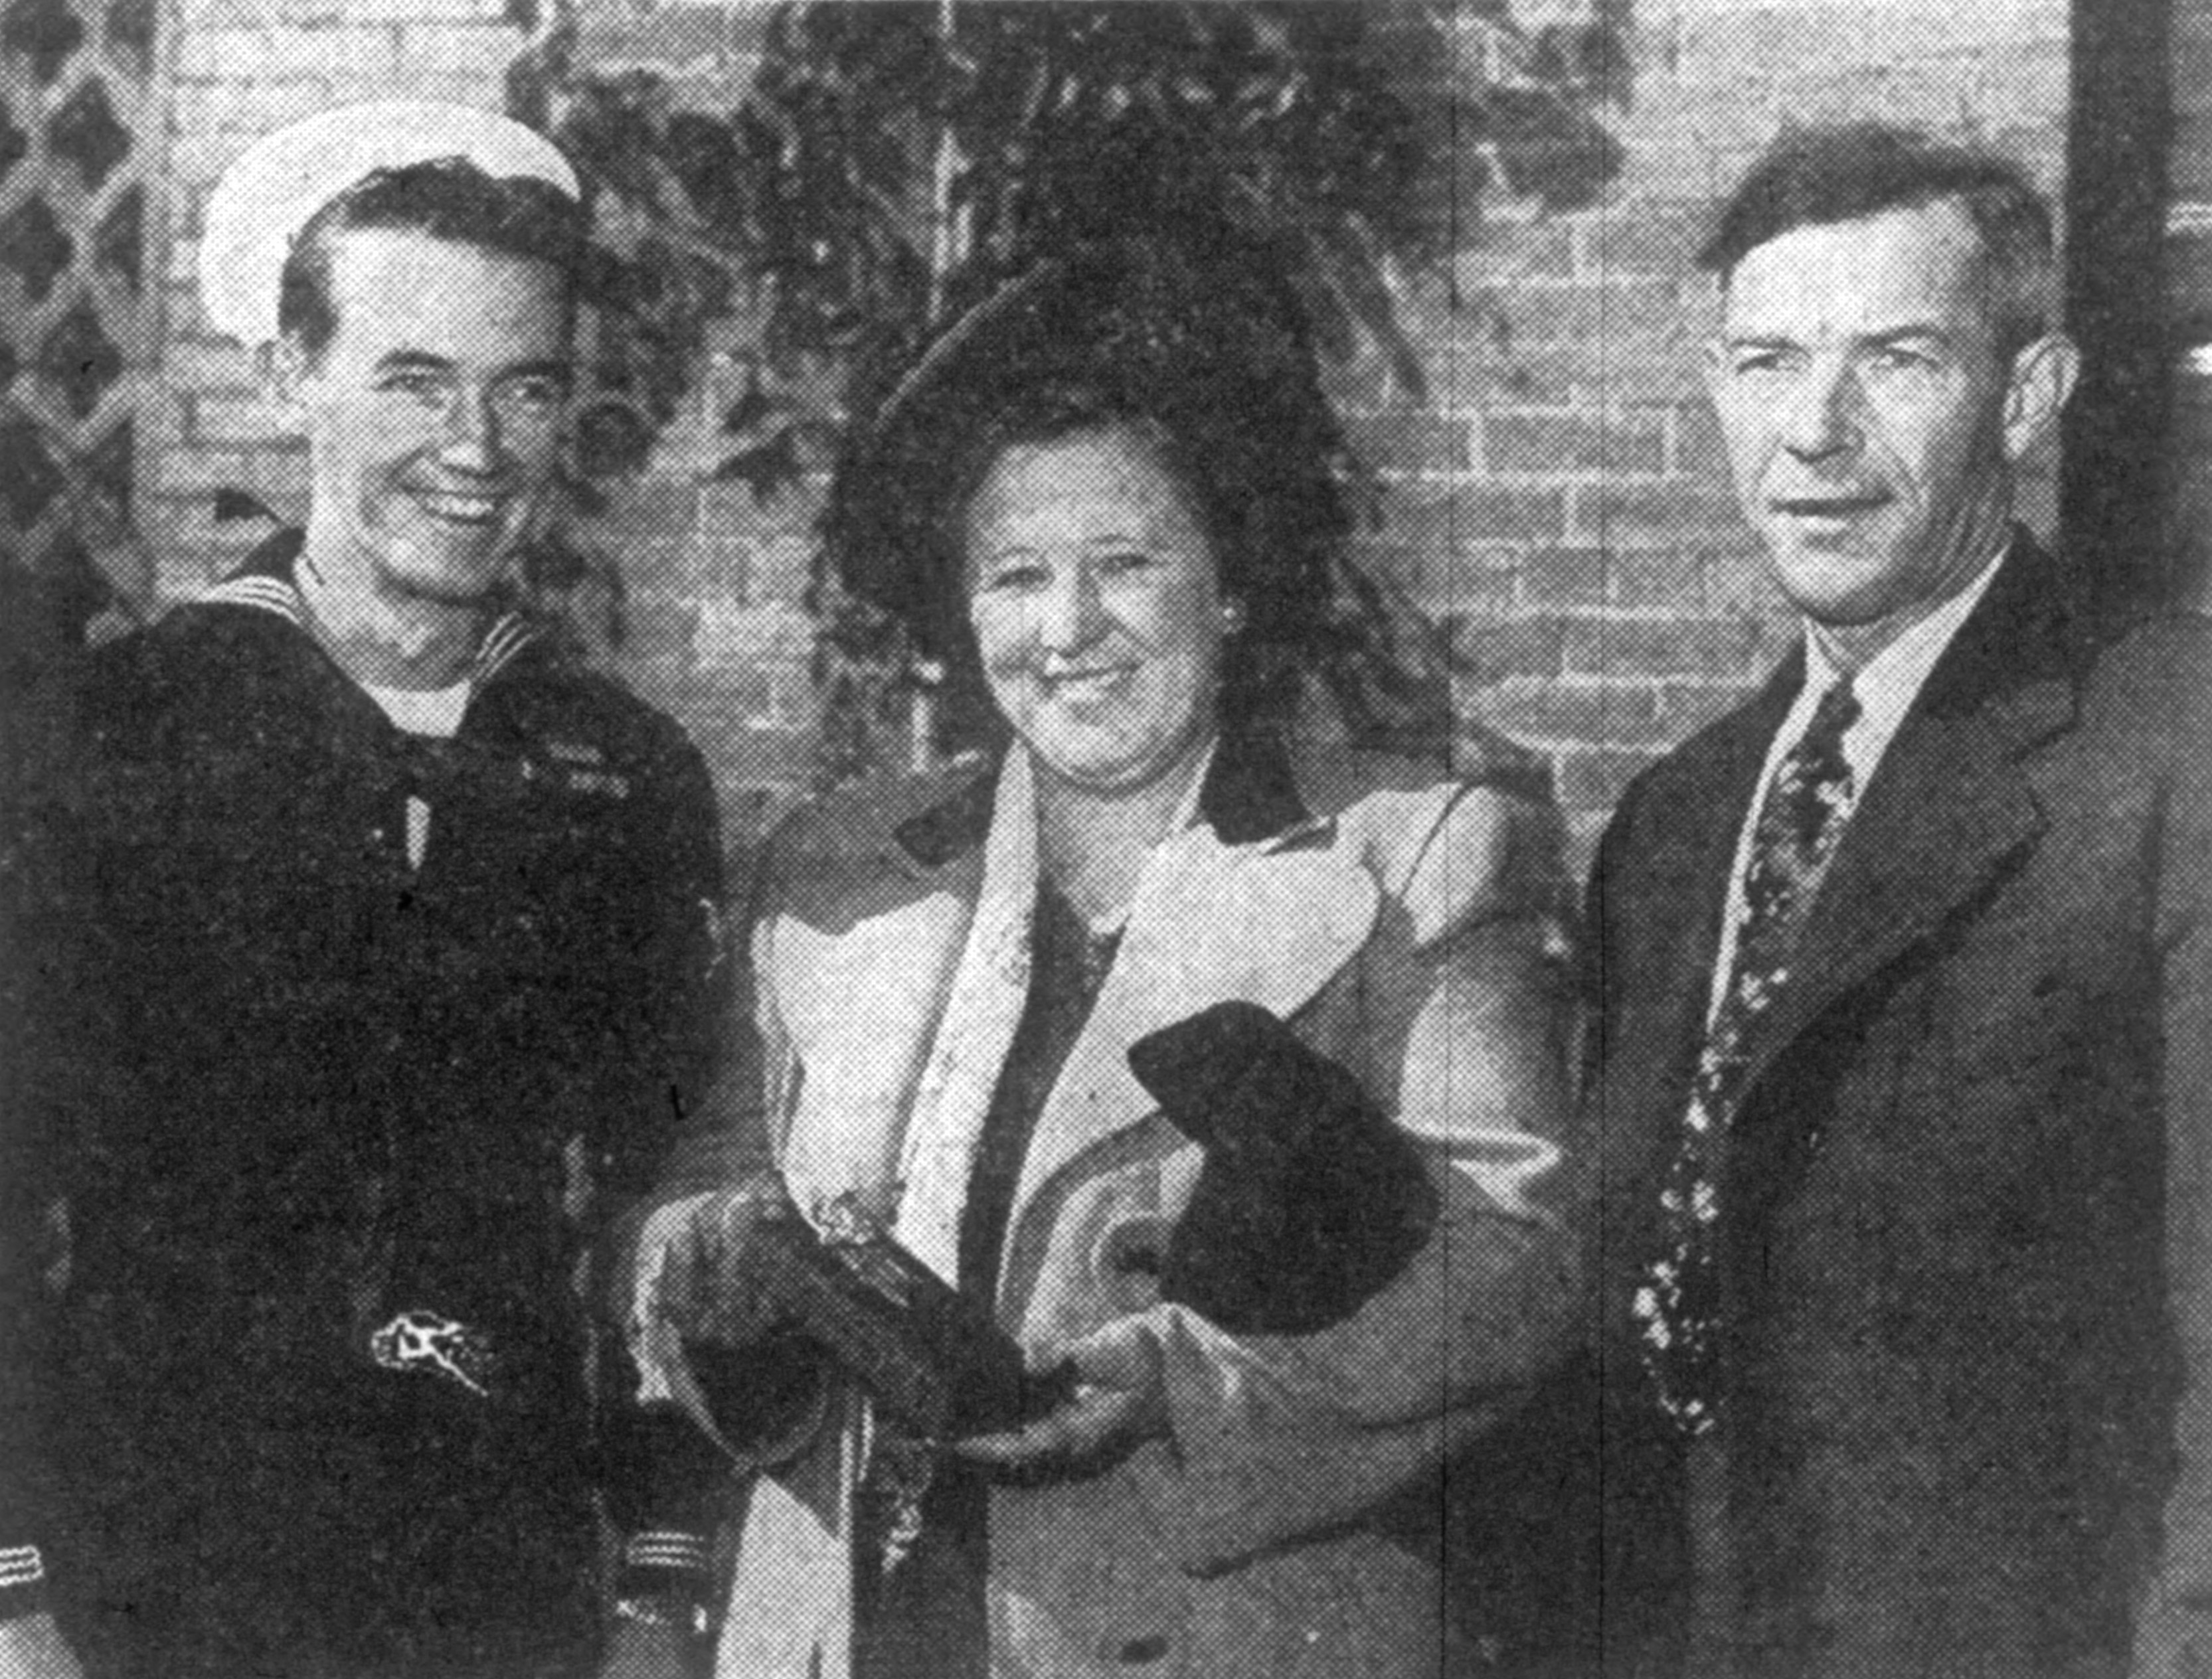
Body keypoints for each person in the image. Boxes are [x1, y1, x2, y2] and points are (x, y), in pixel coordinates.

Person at [617, 240, 1580, 1678]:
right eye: (1016, 576)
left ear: (1235, 581)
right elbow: (721, 1185)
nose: (1066, 631)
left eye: (1125, 563)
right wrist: (692, 1268)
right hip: (853, 1635)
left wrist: (1177, 1386)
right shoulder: (835, 871)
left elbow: (1508, 1268)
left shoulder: (1412, 856)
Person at [0, 102, 728, 1678]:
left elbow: (670, 1214)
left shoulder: (620, 773)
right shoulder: (120, 737)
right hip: (146, 1583)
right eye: (414, 380)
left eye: (522, 389)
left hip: (501, 1585)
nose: (473, 450)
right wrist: (12, 1597)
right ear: (290, 375)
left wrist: (663, 1588)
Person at [1581, 121, 2212, 1677]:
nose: (1814, 429)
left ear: (2027, 395)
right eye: (1767, 361)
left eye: (1897, 359)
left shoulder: (2169, 753)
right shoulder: (1673, 820)